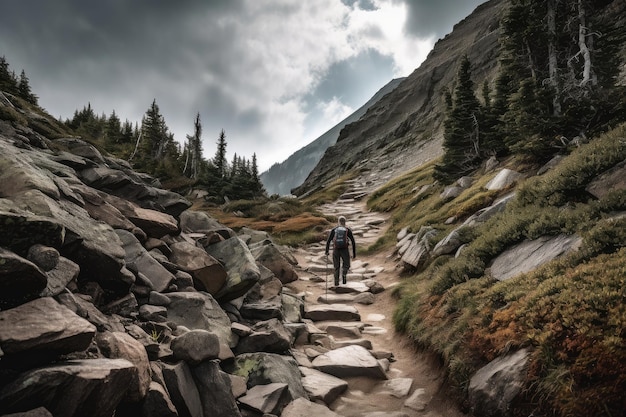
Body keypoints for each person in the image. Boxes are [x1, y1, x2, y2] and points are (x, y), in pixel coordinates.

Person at [325, 215, 356, 286]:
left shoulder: (334, 230)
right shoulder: (347, 230)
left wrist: (326, 251)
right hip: (344, 250)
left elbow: (328, 241)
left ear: (338, 222)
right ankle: (344, 274)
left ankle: (336, 282)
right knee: (346, 264)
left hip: (336, 249)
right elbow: (353, 242)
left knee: (336, 267)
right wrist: (354, 253)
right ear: (345, 222)